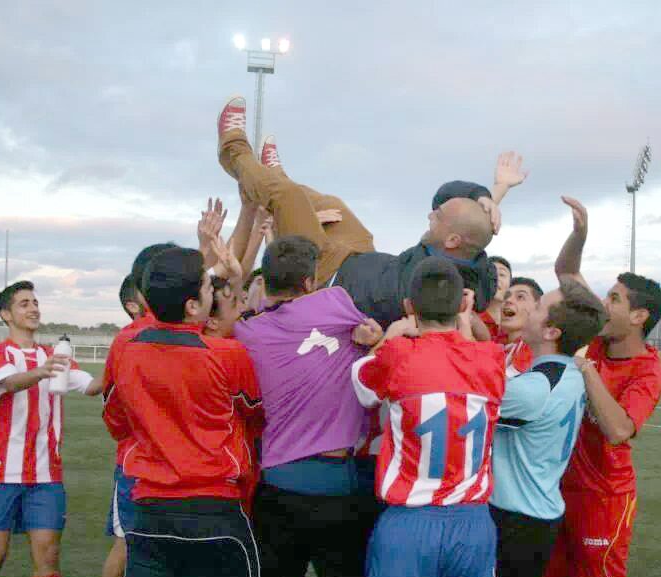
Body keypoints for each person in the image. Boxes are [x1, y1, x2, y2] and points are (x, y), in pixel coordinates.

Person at [216, 96, 529, 327]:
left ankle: (233, 150)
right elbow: (459, 212)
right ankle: (270, 179)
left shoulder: (434, 282)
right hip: (360, 256)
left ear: (451, 241)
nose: (430, 214)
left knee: (287, 197)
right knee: (332, 204)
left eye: (438, 216)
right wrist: (486, 195)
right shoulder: (472, 252)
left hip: (328, 278)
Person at [232, 236, 383, 577]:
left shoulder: (247, 331)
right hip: (338, 484)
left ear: (266, 280)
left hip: (277, 483)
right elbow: (375, 333)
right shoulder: (335, 302)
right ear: (310, 278)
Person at [108, 247, 263, 577]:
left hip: (150, 514)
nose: (215, 291)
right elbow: (256, 415)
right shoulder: (227, 354)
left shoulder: (127, 350)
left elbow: (116, 421)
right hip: (215, 513)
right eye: (209, 285)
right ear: (193, 306)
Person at [351, 257, 506, 577]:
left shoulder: (399, 354)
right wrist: (468, 323)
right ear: (462, 305)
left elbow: (361, 385)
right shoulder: (492, 359)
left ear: (409, 307)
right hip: (471, 521)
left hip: (409, 522)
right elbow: (475, 357)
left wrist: (393, 334)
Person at [539, 196, 661, 577]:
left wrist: (585, 366)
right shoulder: (596, 336)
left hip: (605, 499)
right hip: (558, 487)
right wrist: (580, 234)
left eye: (613, 298)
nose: (603, 303)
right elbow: (567, 275)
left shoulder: (646, 369)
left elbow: (617, 429)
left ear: (638, 316)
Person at [0, 280, 101, 577]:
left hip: (46, 475)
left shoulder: (54, 355)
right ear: (6, 314)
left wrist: (127, 360)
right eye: (24, 303)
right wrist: (43, 372)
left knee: (48, 555)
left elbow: (91, 385)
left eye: (36, 302)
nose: (33, 308)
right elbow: (7, 383)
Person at [490, 279, 606, 577]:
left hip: (514, 518)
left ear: (552, 330)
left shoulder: (535, 388)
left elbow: (467, 404)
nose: (531, 308)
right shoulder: (571, 373)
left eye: (539, 307)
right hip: (539, 513)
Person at [90, 246, 176, 577]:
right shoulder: (130, 338)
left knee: (170, 553)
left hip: (175, 468)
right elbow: (114, 414)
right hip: (137, 467)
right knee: (128, 550)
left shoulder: (177, 333)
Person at [501, 277, 543, 378]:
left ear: (538, 308)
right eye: (505, 296)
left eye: (520, 297)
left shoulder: (533, 347)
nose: (508, 300)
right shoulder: (498, 344)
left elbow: (501, 385)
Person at [477, 256, 512, 341]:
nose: (496, 278)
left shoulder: (515, 325)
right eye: (491, 273)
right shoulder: (468, 319)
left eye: (502, 274)